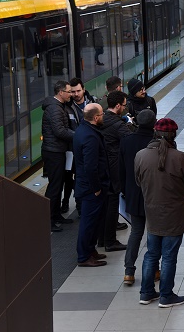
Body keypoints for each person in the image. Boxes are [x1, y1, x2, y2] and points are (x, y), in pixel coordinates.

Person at [135, 118, 184, 307]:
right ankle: (166, 295)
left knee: (151, 254)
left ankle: (146, 293)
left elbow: (139, 182)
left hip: (152, 213)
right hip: (174, 215)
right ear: (174, 135)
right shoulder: (178, 157)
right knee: (169, 256)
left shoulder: (140, 156)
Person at [120, 110, 156, 285]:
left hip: (133, 193)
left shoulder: (126, 142)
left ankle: (129, 271)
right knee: (154, 232)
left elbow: (121, 169)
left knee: (135, 232)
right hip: (154, 194)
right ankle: (154, 269)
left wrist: (124, 190)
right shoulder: (157, 143)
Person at [74, 103, 110, 267]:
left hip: (87, 186)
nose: (103, 116)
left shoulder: (83, 129)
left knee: (93, 221)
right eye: (102, 114)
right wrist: (96, 188)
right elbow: (90, 166)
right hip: (91, 188)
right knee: (88, 223)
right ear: (95, 118)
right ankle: (84, 256)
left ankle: (90, 250)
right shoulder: (90, 136)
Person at [98, 91, 132, 252]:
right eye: (124, 105)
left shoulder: (102, 118)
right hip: (114, 165)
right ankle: (110, 241)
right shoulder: (118, 125)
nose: (125, 108)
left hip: (103, 165)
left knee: (105, 203)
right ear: (117, 105)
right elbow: (130, 141)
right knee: (112, 203)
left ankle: (102, 239)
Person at [41, 80, 75, 232]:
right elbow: (60, 131)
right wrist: (78, 135)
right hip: (54, 152)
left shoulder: (58, 107)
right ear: (61, 92)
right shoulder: (55, 109)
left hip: (57, 150)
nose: (71, 94)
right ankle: (48, 219)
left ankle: (56, 215)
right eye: (69, 91)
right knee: (55, 186)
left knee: (58, 184)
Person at [62, 77, 96, 215]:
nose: (75, 94)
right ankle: (78, 205)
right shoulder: (67, 107)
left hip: (89, 146)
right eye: (73, 92)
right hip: (74, 148)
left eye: (78, 91)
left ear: (84, 89)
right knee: (74, 177)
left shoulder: (92, 101)